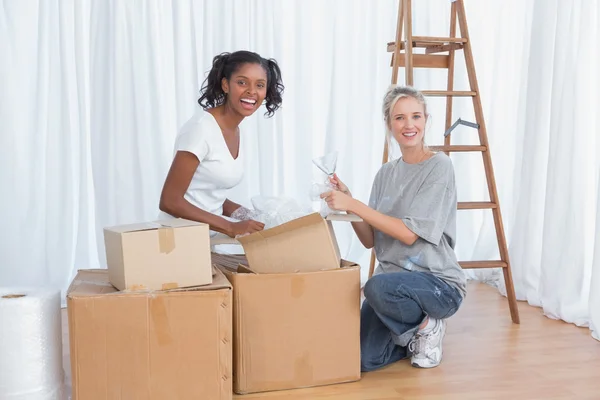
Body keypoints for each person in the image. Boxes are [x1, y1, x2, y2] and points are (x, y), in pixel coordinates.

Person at [321, 85, 466, 370]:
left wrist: (356, 204)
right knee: (364, 359)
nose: (409, 125)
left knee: (376, 287)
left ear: (426, 120)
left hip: (437, 285)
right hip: (393, 284)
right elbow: (369, 240)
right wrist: (350, 203)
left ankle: (429, 325)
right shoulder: (386, 173)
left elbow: (409, 234)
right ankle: (412, 338)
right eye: (399, 118)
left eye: (416, 116)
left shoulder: (439, 166)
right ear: (389, 124)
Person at [159, 50, 284, 238]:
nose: (251, 91)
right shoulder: (200, 129)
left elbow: (207, 194)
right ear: (225, 85)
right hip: (177, 242)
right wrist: (231, 227)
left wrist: (249, 215)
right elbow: (170, 200)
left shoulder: (236, 130)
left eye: (259, 85)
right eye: (242, 82)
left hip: (206, 240)